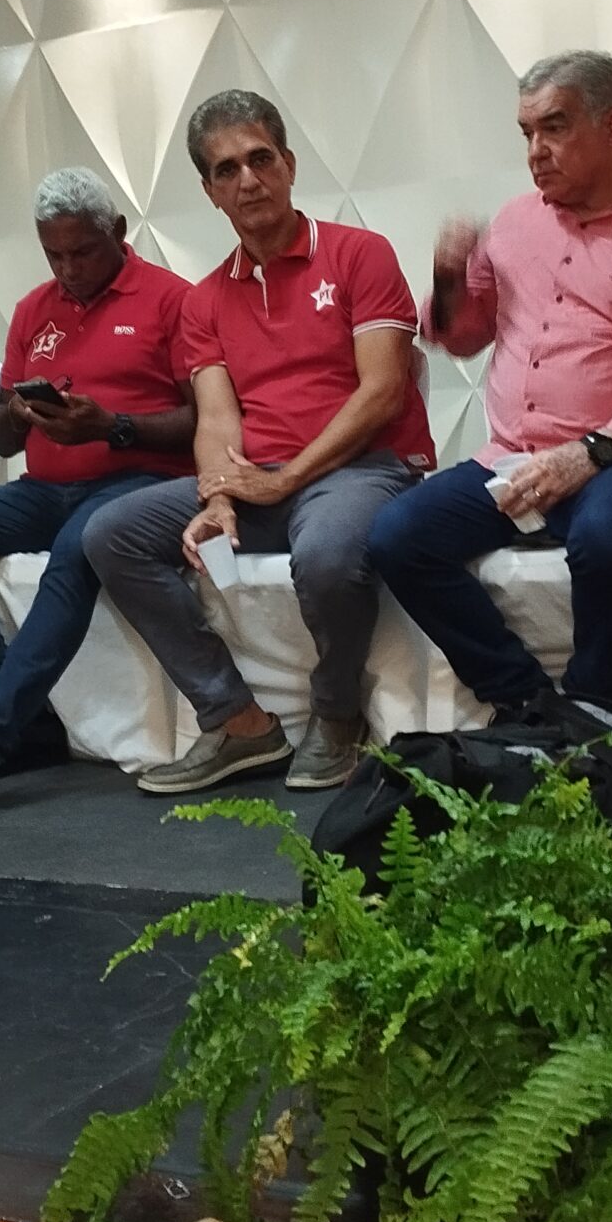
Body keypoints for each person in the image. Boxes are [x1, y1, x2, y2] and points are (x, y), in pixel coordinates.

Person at [83, 90, 432, 796]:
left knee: (327, 554)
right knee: (111, 533)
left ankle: (338, 716)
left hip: (361, 469)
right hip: (261, 477)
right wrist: (219, 497)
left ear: (289, 165)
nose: (248, 180)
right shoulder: (205, 299)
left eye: (260, 159)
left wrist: (283, 480)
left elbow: (383, 392)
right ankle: (238, 722)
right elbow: (216, 420)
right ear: (210, 191)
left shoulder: (360, 254)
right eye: (226, 170)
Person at [370, 52, 612, 737]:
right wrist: (448, 278)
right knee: (397, 537)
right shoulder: (514, 222)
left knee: (610, 541)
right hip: (512, 454)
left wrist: (588, 454)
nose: (535, 151)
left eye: (554, 128)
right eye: (527, 132)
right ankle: (526, 702)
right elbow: (463, 336)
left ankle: (594, 701)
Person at [0, 168, 197, 821]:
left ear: (118, 231)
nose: (68, 268)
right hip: (44, 487)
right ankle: (26, 727)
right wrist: (17, 413)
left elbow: (205, 420)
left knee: (74, 552)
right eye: (53, 254)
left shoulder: (172, 299)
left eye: (82, 251)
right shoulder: (34, 309)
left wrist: (112, 427)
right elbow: (2, 437)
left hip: (140, 484)